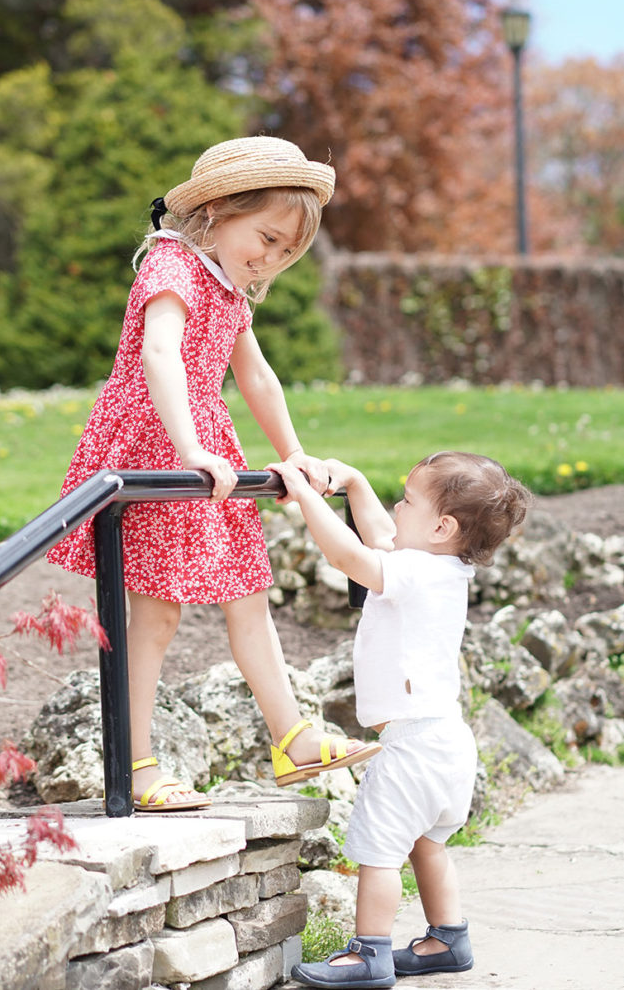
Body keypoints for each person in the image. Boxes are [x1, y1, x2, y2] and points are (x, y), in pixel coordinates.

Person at [47, 136, 381, 812]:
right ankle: (135, 766)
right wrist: (188, 446)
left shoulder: (227, 286)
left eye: (286, 251)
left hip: (205, 441)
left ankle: (293, 737)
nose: (271, 257)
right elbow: (159, 353)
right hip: (156, 438)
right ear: (220, 208)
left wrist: (292, 454)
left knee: (247, 591)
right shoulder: (170, 264)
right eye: (265, 236)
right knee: (157, 613)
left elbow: (254, 375)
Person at [267, 451, 531, 987]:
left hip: (411, 747)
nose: (394, 507)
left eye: (406, 501)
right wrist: (356, 484)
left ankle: (370, 953)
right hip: (447, 742)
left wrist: (309, 497)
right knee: (427, 845)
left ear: (442, 526)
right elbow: (384, 537)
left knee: (380, 850)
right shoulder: (443, 566)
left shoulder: (412, 571)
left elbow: (348, 555)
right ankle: (447, 939)